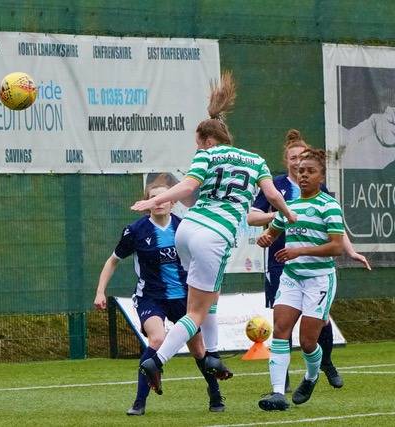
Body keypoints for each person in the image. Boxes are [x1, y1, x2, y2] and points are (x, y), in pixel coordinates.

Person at [131, 71, 297, 394]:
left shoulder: (207, 156)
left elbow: (192, 189)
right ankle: (157, 360)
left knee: (210, 296)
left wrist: (160, 198)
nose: (198, 148)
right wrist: (288, 215)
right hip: (213, 238)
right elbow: (275, 197)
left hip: (188, 230)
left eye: (198, 144)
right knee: (195, 312)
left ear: (208, 141)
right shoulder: (255, 160)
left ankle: (213, 358)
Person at [247, 130, 371, 392]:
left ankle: (315, 372)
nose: (302, 173)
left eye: (308, 170)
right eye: (299, 167)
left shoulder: (328, 204)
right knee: (280, 330)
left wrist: (304, 251)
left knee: (308, 341)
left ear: (321, 176)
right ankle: (278, 391)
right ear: (289, 162)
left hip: (318, 278)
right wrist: (267, 238)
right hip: (289, 273)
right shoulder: (286, 200)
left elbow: (336, 244)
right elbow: (273, 228)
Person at [94, 176, 225, 415]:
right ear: (147, 203)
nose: (159, 202)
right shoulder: (135, 231)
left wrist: (212, 290)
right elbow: (113, 261)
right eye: (153, 199)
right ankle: (139, 402)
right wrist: (100, 291)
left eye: (164, 198)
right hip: (150, 297)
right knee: (156, 339)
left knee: (198, 350)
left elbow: (203, 262)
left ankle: (215, 393)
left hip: (185, 299)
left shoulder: (184, 228)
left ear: (173, 201)